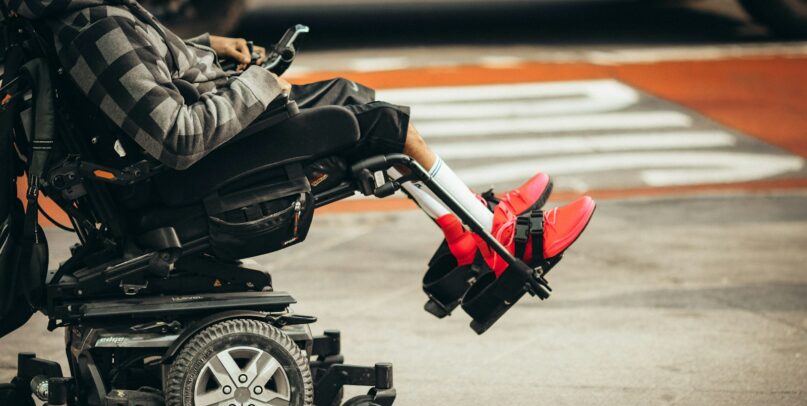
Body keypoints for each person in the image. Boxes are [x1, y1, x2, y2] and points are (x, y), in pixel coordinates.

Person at [9, 0, 595, 274]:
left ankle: (469, 227)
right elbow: (176, 135)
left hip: (192, 153)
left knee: (354, 98)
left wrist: (207, 48)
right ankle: (496, 240)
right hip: (190, 175)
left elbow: (149, 75)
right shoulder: (95, 27)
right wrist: (259, 84)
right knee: (373, 119)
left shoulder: (86, 14)